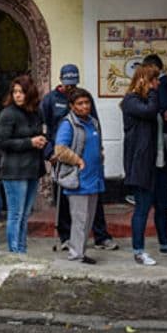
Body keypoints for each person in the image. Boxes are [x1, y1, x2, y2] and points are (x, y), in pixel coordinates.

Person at [41, 64, 118, 252]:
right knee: (67, 199)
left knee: (94, 200)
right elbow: (44, 127)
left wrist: (99, 149)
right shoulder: (50, 100)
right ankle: (66, 237)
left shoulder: (85, 97)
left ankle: (101, 236)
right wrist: (49, 152)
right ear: (61, 81)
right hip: (63, 156)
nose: (70, 88)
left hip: (87, 158)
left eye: (73, 83)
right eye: (67, 84)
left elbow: (95, 124)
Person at [122, 64, 167, 265]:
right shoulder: (131, 101)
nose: (158, 84)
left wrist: (165, 116)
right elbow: (149, 111)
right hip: (142, 164)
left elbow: (153, 116)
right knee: (142, 208)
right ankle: (138, 250)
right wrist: (152, 93)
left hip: (159, 163)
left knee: (163, 204)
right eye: (154, 80)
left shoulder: (147, 101)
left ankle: (165, 244)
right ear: (145, 81)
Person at [52, 88, 105, 264]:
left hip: (94, 177)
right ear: (72, 106)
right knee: (79, 219)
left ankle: (81, 251)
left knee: (89, 219)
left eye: (87, 102)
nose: (84, 106)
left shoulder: (93, 122)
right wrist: (78, 161)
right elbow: (60, 150)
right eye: (80, 103)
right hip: (79, 179)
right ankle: (76, 254)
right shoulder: (68, 124)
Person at [0, 74, 46, 254]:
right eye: (15, 92)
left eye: (22, 92)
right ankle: (14, 251)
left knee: (25, 215)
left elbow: (40, 131)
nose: (18, 95)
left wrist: (42, 140)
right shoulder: (8, 113)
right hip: (14, 170)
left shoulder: (35, 112)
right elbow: (2, 142)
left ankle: (22, 249)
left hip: (32, 168)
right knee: (16, 214)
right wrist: (29, 142)